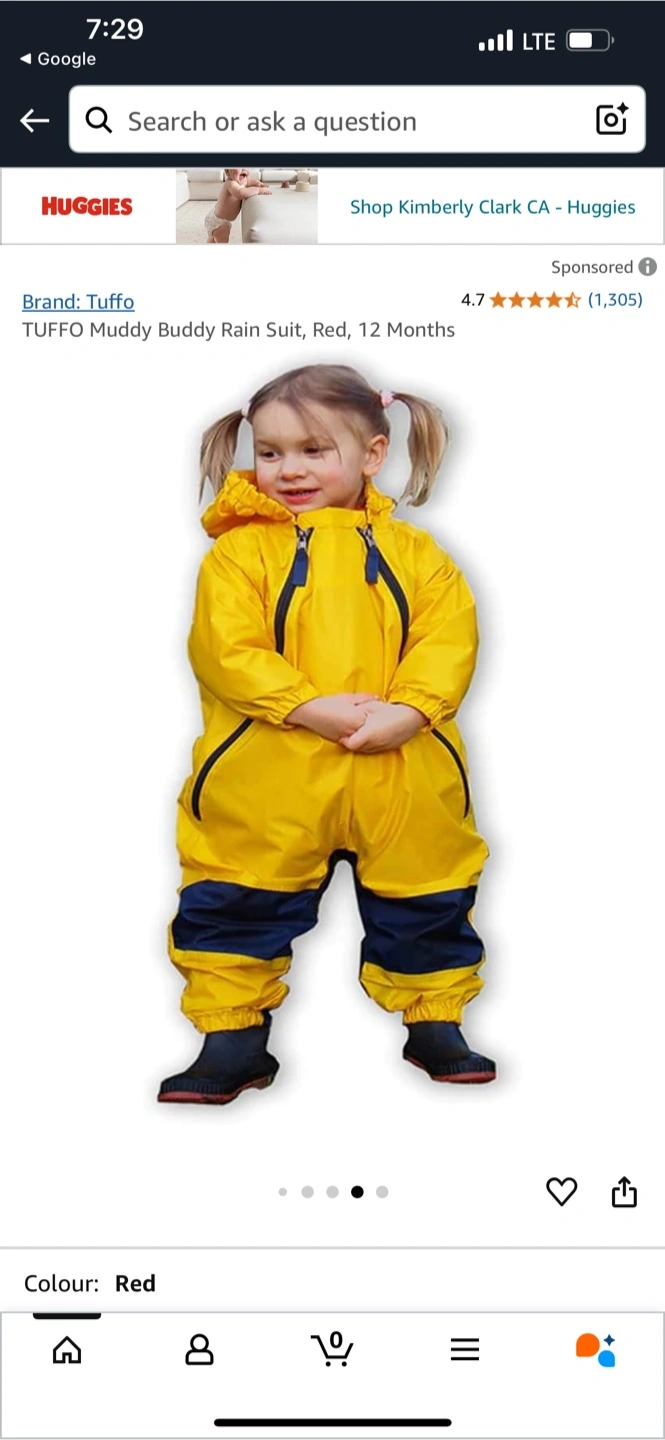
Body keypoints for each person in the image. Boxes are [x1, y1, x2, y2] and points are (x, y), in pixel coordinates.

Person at [158, 364, 494, 1104]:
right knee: (238, 900)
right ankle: (233, 1036)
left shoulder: (419, 556)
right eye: (270, 452)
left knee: (426, 899)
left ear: (373, 454)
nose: (289, 469)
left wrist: (410, 712)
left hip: (403, 776)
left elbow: (448, 641)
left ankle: (435, 1018)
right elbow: (225, 650)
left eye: (313, 450)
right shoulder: (238, 554)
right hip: (267, 778)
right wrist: (308, 707)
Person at [204, 167, 272, 243]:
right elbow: (240, 193)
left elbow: (249, 181)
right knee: (222, 240)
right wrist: (258, 190)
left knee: (213, 239)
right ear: (227, 172)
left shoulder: (242, 181)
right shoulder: (231, 183)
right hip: (220, 223)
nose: (243, 169)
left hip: (214, 217)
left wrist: (257, 183)